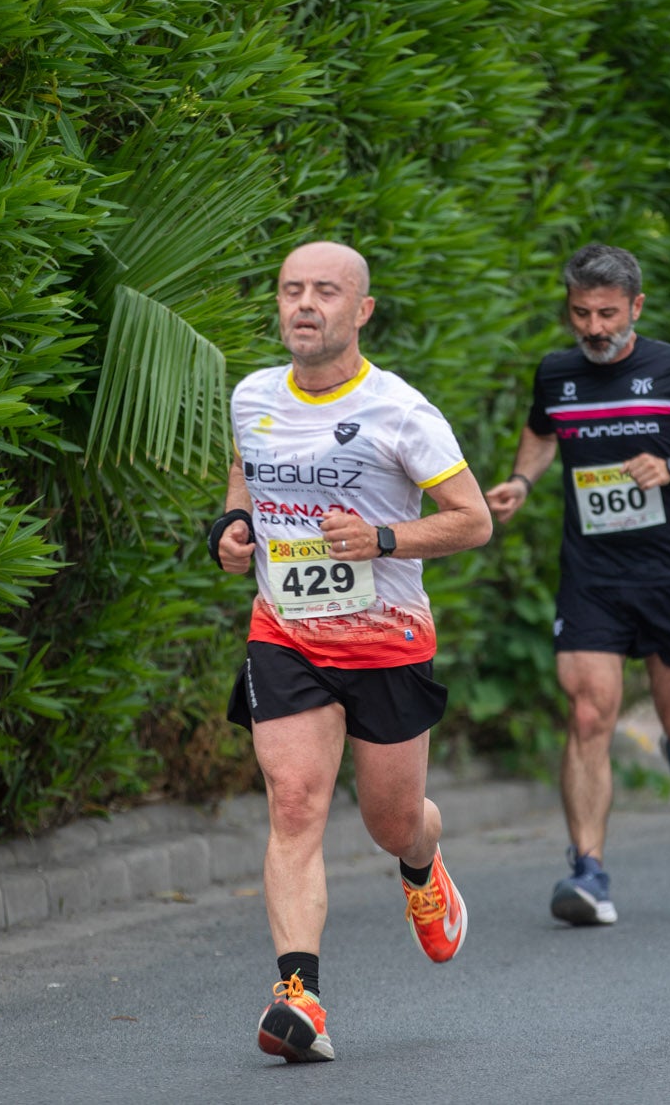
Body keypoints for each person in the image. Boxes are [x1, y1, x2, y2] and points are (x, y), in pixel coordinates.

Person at [213, 241, 494, 1063]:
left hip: (386, 638)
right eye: (292, 290)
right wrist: (232, 527)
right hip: (285, 632)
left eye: (326, 292)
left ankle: (422, 860)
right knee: (294, 803)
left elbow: (473, 519)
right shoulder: (252, 395)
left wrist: (383, 537)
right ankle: (299, 997)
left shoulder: (401, 410)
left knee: (390, 820)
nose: (305, 304)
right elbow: (245, 474)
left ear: (362, 310)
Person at [485, 244, 670, 926]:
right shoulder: (557, 373)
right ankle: (589, 870)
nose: (594, 328)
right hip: (593, 574)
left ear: (636, 306)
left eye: (607, 313)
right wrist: (521, 481)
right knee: (587, 714)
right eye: (581, 314)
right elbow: (541, 432)